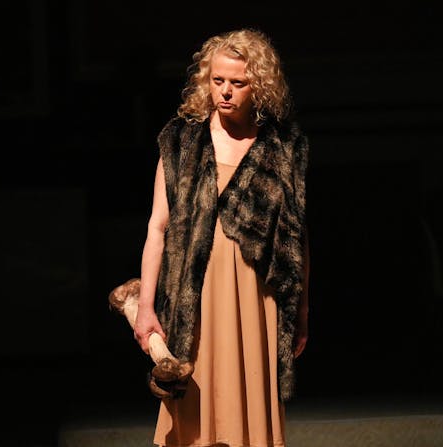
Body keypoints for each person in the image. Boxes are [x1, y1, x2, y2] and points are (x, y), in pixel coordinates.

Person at [134, 28, 310, 447]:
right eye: (217, 80)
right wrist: (145, 307)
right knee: (196, 398)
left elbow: (295, 237)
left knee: (251, 398)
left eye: (238, 82)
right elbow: (157, 226)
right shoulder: (182, 142)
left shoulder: (281, 147)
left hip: (256, 295)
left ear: (259, 85)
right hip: (197, 293)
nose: (225, 91)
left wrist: (301, 310)